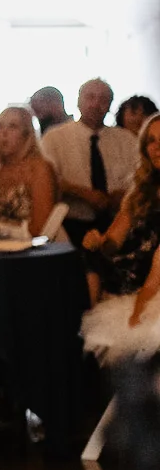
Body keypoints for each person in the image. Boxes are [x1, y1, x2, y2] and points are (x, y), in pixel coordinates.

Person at [82, 116, 160, 330]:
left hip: (154, 273)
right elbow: (112, 241)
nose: (157, 148)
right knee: (89, 255)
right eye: (151, 141)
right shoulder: (141, 192)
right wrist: (97, 241)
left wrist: (139, 308)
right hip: (133, 266)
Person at [42, 78, 139, 244]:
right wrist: (84, 193)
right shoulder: (54, 138)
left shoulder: (127, 140)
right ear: (78, 101)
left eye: (103, 99)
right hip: (71, 224)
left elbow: (141, 177)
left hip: (118, 223)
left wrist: (124, 195)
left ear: (110, 105)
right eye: (90, 97)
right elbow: (48, 179)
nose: (96, 104)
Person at [0, 105, 60, 237]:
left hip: (32, 246)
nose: (4, 133)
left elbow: (40, 229)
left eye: (13, 126)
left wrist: (1, 229)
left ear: (27, 134)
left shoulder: (39, 168)